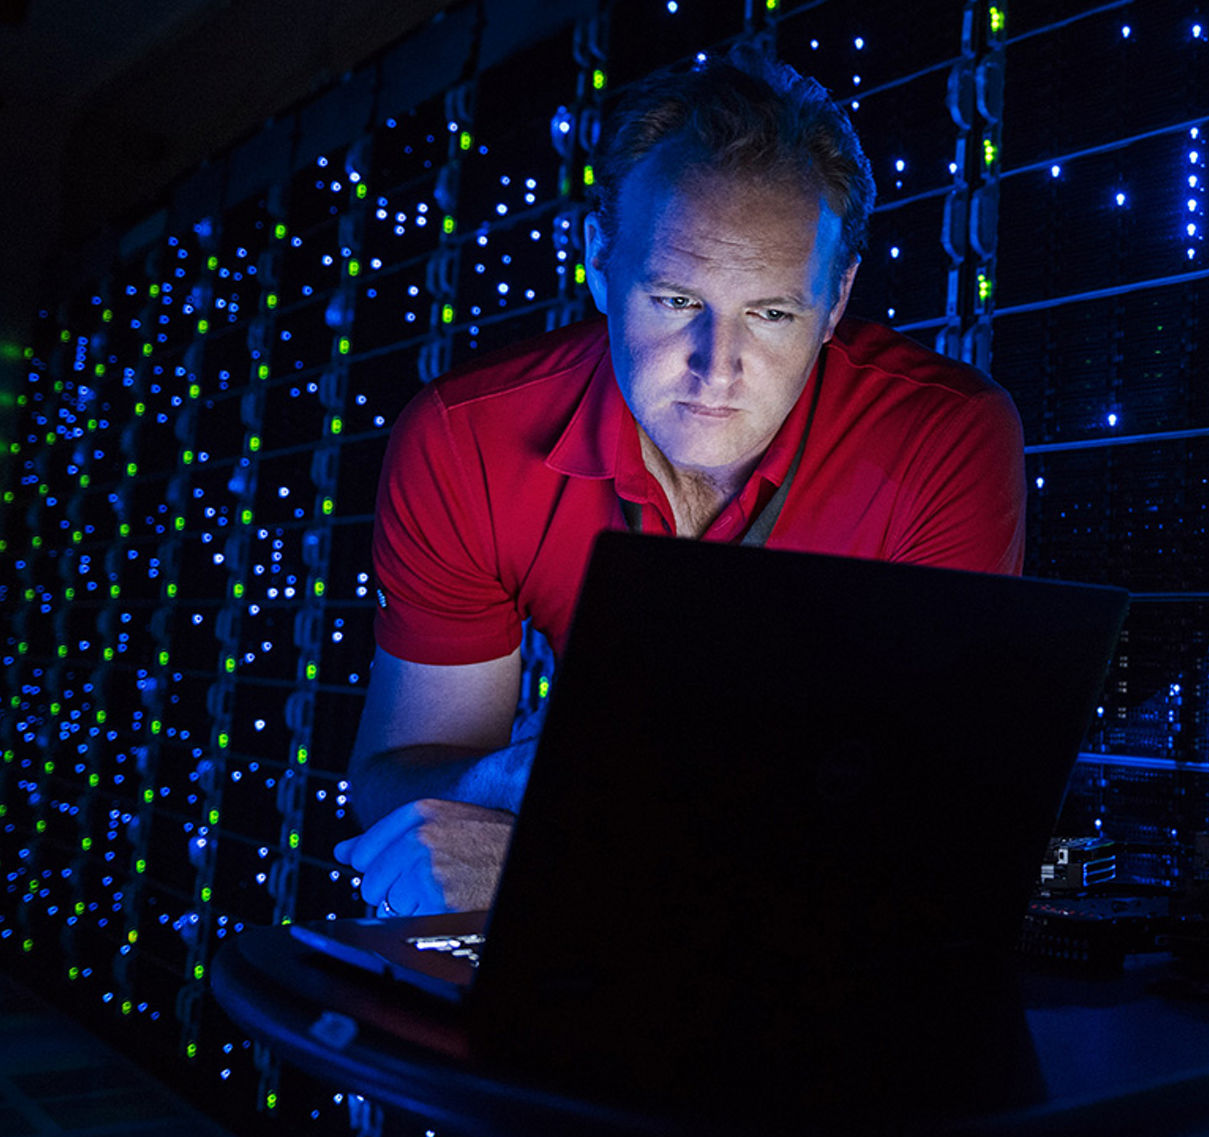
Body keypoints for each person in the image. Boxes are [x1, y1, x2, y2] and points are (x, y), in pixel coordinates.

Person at [332, 52, 1026, 916]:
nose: (718, 370)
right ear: (597, 257)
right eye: (675, 301)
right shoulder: (463, 439)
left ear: (838, 295)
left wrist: (567, 852)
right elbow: (399, 775)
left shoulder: (943, 436)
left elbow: (930, 821)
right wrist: (503, 779)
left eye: (771, 314)